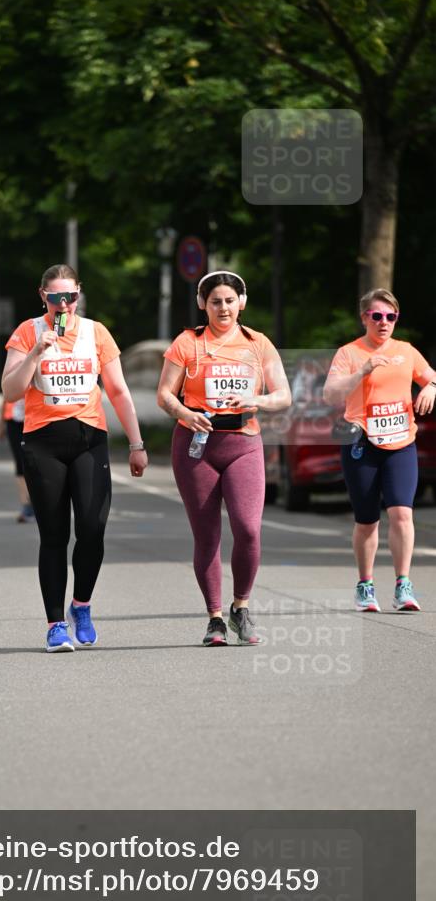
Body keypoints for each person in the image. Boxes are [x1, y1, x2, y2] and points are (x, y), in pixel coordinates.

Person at [2, 264, 148, 652]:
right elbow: (11, 391)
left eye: (70, 296)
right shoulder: (27, 332)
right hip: (43, 443)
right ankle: (55, 625)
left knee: (92, 527)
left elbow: (118, 390)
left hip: (89, 441)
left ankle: (81, 605)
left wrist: (136, 444)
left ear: (79, 294)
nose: (63, 304)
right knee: (54, 535)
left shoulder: (96, 333)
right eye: (55, 297)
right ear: (43, 297)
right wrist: (36, 352)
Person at [157, 270, 291, 646]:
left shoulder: (258, 344)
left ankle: (240, 607)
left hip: (243, 442)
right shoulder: (187, 342)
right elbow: (164, 394)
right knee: (207, 535)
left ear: (241, 303)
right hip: (196, 446)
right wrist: (184, 413)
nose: (223, 308)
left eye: (230, 301)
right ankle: (215, 618)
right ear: (203, 304)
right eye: (215, 301)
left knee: (248, 528)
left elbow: (284, 395)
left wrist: (256, 399)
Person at [323, 288, 436, 613]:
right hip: (362, 443)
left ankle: (403, 585)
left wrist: (431, 387)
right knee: (367, 520)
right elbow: (331, 395)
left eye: (391, 316)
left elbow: (432, 378)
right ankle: (365, 585)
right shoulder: (349, 353)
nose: (384, 322)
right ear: (365, 318)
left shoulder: (406, 351)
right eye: (377, 316)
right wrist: (363, 371)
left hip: (401, 443)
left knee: (402, 514)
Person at [0, 394, 34, 522]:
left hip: (35, 419)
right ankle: (26, 506)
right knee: (20, 462)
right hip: (13, 420)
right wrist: (1, 423)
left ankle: (37, 502)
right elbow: (6, 395)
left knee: (36, 462)